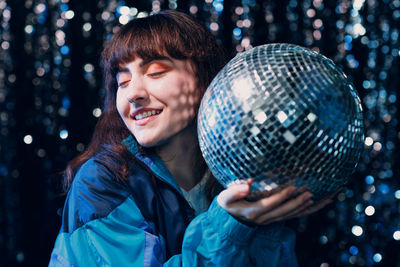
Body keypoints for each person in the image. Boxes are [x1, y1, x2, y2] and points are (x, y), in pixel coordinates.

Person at [49, 10, 333, 266]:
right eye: (122, 82)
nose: (133, 93)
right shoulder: (101, 182)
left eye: (156, 72)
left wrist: (263, 221)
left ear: (204, 80)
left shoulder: (236, 176)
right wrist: (229, 224)